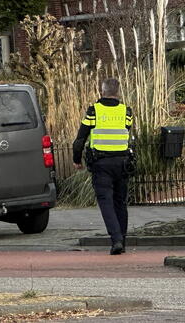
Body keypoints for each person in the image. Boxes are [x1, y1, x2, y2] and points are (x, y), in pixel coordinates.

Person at [73, 78, 133, 255]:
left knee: (106, 202)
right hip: (122, 163)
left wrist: (77, 159)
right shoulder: (126, 111)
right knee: (120, 202)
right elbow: (126, 132)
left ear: (102, 91)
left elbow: (80, 139)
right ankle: (122, 239)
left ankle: (116, 240)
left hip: (101, 163)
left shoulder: (94, 111)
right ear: (118, 92)